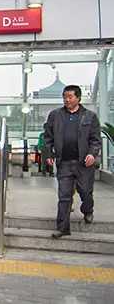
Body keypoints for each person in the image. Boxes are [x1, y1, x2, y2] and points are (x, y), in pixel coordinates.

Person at [43, 85, 101, 239]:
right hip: (65, 163)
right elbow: (48, 138)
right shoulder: (55, 116)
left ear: (78, 98)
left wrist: (92, 154)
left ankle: (88, 210)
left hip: (84, 163)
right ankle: (62, 227)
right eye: (65, 96)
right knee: (64, 196)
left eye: (70, 97)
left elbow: (96, 140)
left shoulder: (90, 116)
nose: (67, 100)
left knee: (85, 191)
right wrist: (48, 153)